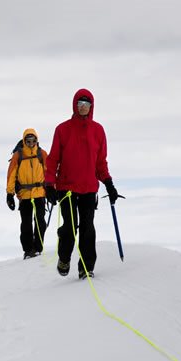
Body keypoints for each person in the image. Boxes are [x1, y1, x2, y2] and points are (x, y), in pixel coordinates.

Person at [44, 89, 119, 279]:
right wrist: (49, 184)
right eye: (80, 104)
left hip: (88, 189)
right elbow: (53, 160)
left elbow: (101, 163)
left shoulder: (98, 130)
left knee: (87, 229)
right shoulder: (63, 129)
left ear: (92, 107)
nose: (83, 107)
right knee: (70, 228)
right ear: (74, 106)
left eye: (86, 104)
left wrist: (109, 184)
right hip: (66, 189)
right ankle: (64, 258)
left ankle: (86, 268)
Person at [6, 128, 49, 259]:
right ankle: (28, 250)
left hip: (40, 194)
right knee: (26, 224)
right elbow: (11, 175)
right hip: (24, 195)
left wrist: (53, 189)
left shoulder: (42, 154)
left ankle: (38, 248)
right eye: (28, 141)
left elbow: (49, 173)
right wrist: (9, 194)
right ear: (24, 141)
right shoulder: (17, 156)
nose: (31, 143)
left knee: (40, 222)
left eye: (33, 140)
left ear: (37, 140)